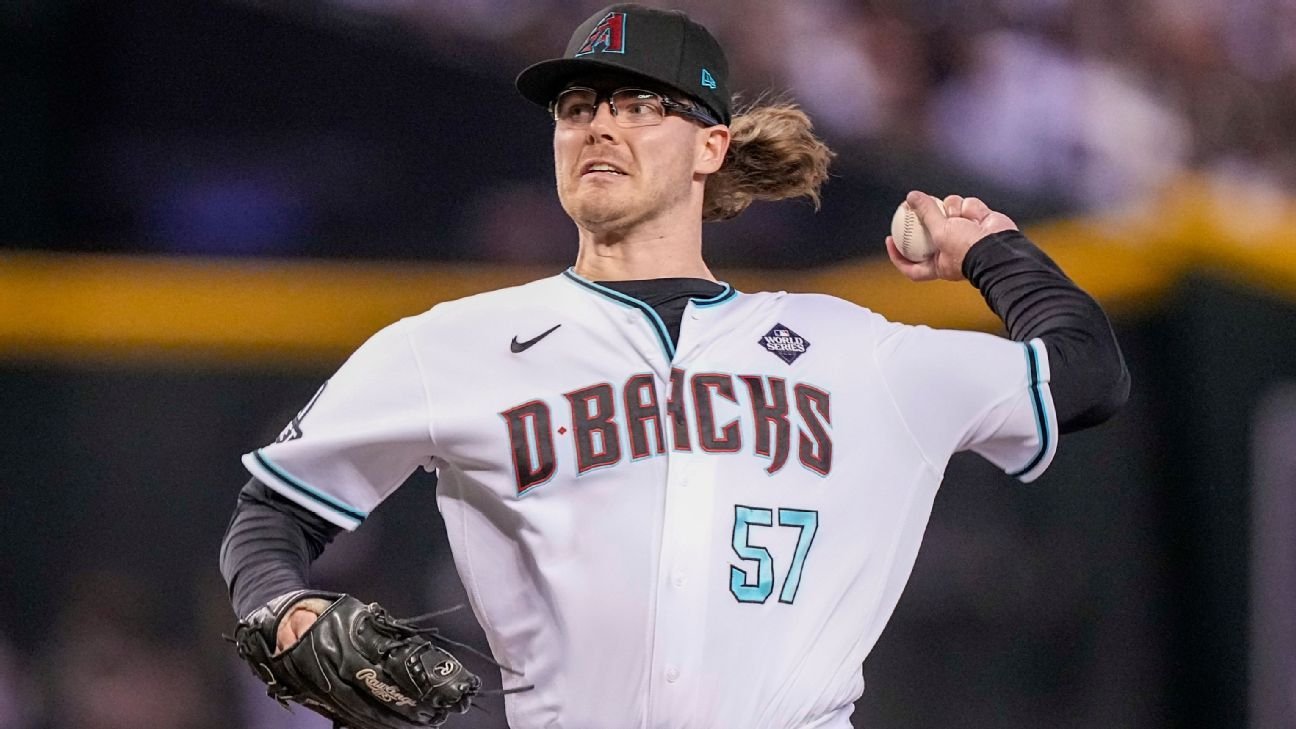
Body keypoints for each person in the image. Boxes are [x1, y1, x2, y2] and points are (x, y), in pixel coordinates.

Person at [219, 4, 1129, 728]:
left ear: (711, 146)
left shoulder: (854, 350)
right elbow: (271, 516)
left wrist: (992, 250)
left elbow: (1085, 376)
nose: (598, 127)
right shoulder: (453, 345)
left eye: (639, 106)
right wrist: (284, 610)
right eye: (577, 108)